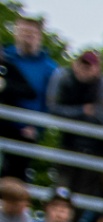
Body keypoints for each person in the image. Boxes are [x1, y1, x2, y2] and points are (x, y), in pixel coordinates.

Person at [46, 48, 103, 197]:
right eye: (82, 64)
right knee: (61, 192)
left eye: (90, 66)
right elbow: (53, 108)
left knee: (84, 194)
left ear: (97, 69)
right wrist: (81, 110)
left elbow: (102, 117)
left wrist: (75, 114)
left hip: (94, 149)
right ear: (75, 64)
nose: (85, 68)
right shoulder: (63, 77)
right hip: (68, 143)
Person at [1, 17, 59, 182]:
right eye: (24, 31)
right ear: (16, 33)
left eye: (32, 32)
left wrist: (38, 127)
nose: (28, 36)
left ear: (39, 36)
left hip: (25, 130)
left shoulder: (50, 68)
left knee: (14, 181)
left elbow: (51, 103)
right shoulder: (5, 57)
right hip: (3, 121)